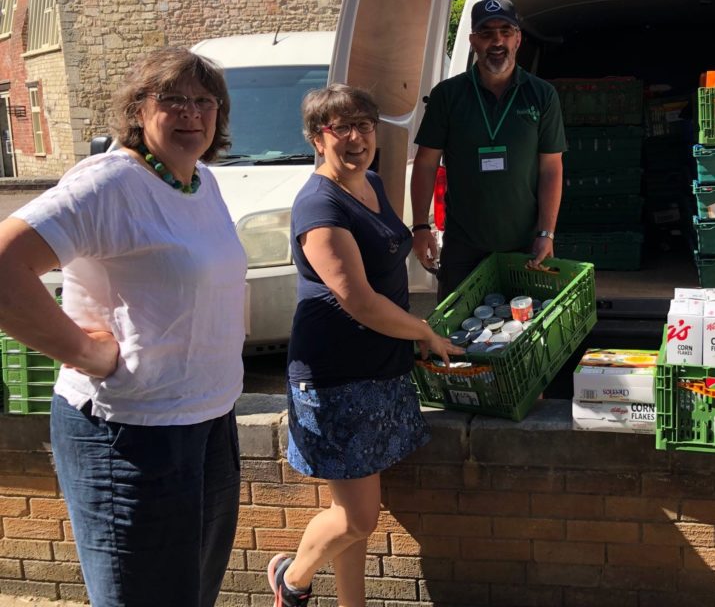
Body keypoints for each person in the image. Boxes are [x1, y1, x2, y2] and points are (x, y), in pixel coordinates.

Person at [0, 48, 246, 607]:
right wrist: (84, 352)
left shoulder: (202, 182)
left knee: (193, 593)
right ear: (138, 109)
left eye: (205, 101)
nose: (191, 113)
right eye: (173, 99)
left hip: (209, 420)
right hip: (132, 432)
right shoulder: (110, 184)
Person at [266, 84, 461, 607]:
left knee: (349, 514)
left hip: (380, 369)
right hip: (337, 378)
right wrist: (423, 331)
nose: (356, 138)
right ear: (317, 138)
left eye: (365, 126)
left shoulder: (369, 182)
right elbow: (360, 301)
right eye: (341, 128)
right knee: (357, 517)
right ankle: (291, 579)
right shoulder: (319, 205)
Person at [411, 0, 567, 299]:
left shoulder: (542, 95)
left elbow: (551, 168)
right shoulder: (447, 95)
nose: (497, 41)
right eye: (486, 33)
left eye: (505, 32)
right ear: (473, 41)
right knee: (457, 322)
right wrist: (420, 226)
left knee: (524, 322)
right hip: (463, 245)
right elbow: (426, 163)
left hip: (524, 243)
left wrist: (546, 233)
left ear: (518, 39)